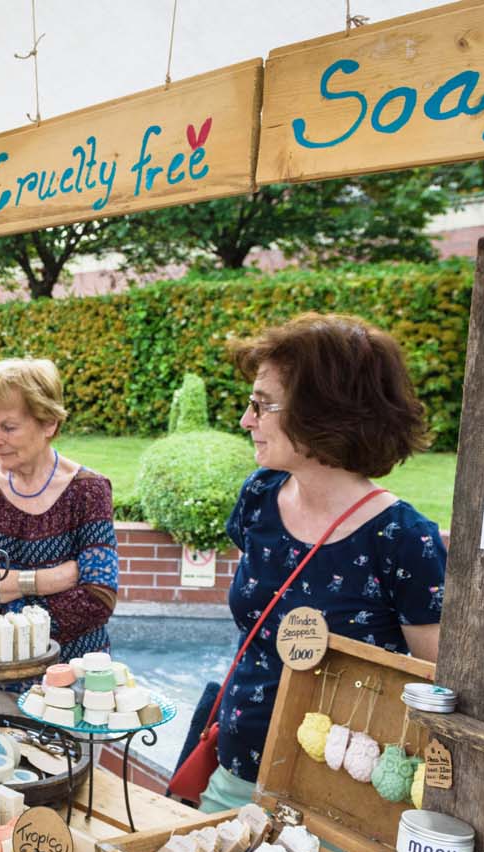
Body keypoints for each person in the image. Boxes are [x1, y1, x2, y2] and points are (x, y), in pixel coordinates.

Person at [181, 313, 446, 813]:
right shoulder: (259, 496)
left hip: (336, 798)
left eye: (261, 405)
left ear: (322, 412)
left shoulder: (403, 540)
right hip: (235, 768)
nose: (245, 420)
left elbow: (432, 688)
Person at [0, 358, 119, 667]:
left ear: (48, 422)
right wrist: (49, 579)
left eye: (8, 427)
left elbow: (98, 598)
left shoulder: (88, 490)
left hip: (70, 681)